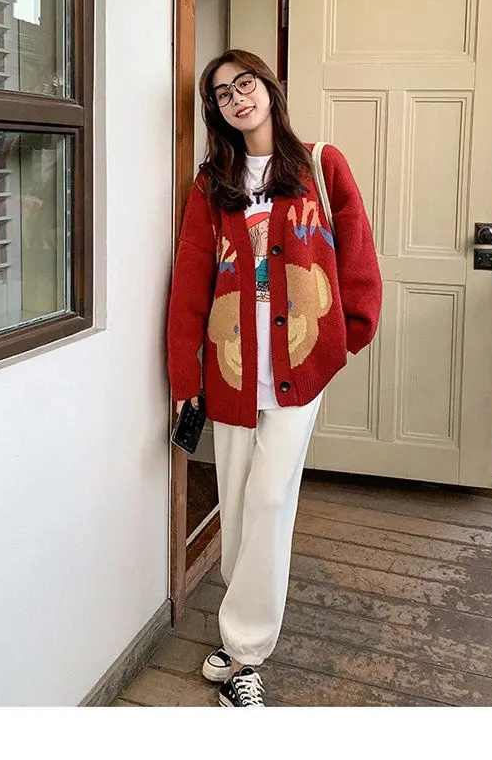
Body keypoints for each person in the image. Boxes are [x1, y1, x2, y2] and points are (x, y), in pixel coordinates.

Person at [167, 48, 382, 707]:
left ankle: (244, 656)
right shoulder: (211, 184)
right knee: (238, 506)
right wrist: (185, 374)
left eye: (245, 83)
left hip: (299, 368)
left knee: (266, 501)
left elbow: (358, 252)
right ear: (217, 112)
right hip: (231, 369)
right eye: (222, 94)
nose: (238, 98)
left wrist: (348, 333)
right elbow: (191, 280)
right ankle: (239, 637)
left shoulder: (321, 164)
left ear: (268, 87)